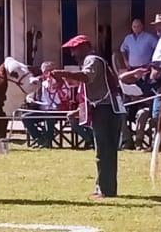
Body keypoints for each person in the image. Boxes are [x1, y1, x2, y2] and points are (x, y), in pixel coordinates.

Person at [51, 34, 123, 198]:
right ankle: (105, 187)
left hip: (105, 110)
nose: (73, 53)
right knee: (107, 151)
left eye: (75, 49)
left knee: (104, 151)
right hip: (108, 109)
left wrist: (63, 73)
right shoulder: (94, 60)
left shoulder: (92, 60)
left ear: (85, 47)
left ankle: (105, 190)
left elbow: (86, 77)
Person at [118, 60, 161, 149]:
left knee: (143, 114)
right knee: (124, 116)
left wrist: (140, 99)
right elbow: (121, 78)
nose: (160, 73)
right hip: (136, 107)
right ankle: (134, 142)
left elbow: (157, 98)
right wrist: (134, 72)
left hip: (152, 108)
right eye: (158, 69)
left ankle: (143, 142)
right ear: (151, 68)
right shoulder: (143, 78)